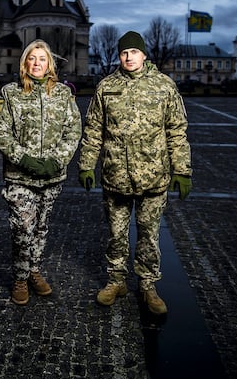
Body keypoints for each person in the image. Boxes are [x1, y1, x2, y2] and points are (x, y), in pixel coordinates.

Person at [78, 31, 192, 314]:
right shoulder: (106, 87)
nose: (129, 57)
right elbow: (94, 130)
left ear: (144, 55)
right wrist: (85, 164)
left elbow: (176, 131)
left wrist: (182, 170)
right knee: (116, 234)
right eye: (124, 52)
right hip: (116, 174)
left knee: (149, 234)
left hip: (153, 176)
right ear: (119, 56)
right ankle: (116, 280)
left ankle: (148, 285)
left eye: (134, 52)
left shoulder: (164, 86)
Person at [0, 39, 82, 305]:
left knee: (41, 227)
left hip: (52, 176)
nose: (37, 63)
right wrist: (24, 159)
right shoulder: (10, 92)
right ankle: (20, 277)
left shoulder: (63, 94)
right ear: (25, 63)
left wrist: (57, 161)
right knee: (22, 228)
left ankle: (34, 271)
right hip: (20, 176)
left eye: (42, 59)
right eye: (32, 58)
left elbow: (73, 130)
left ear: (49, 64)